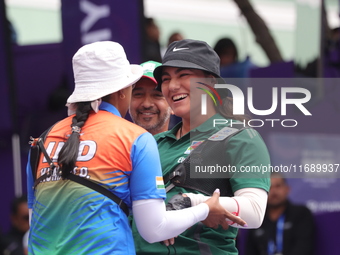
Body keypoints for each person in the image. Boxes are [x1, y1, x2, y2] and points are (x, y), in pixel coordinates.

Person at [26, 41, 244, 255]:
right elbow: (154, 228)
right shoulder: (134, 139)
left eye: (156, 94)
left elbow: (37, 223)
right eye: (136, 90)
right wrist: (205, 208)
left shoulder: (42, 141)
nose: (146, 102)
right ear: (123, 91)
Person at [132, 39, 271, 254]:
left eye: (183, 75)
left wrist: (191, 203)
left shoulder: (240, 137)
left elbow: (253, 211)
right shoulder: (153, 144)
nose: (173, 85)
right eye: (166, 79)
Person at [245, 173, 316, 255]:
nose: (274, 191)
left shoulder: (301, 213)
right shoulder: (257, 218)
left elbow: (304, 248)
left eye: (278, 186)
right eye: (269, 187)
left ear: (287, 189)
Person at [129, 60, 172, 135]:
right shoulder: (115, 145)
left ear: (173, 105)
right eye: (138, 94)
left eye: (157, 95)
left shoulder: (191, 145)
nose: (146, 104)